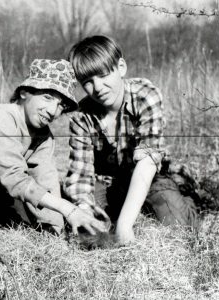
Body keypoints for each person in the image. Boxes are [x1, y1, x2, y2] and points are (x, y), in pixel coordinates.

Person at [0, 58, 107, 236]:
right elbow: (12, 175)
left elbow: (46, 180)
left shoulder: (44, 137)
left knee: (27, 216)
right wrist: (67, 209)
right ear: (24, 93)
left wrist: (58, 230)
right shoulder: (2, 116)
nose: (52, 111)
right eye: (47, 97)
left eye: (60, 106)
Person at [63, 35, 198, 245]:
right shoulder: (81, 116)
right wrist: (83, 211)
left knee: (179, 230)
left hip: (150, 178)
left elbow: (147, 162)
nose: (98, 87)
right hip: (107, 183)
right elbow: (80, 177)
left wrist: (124, 225)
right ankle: (125, 210)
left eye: (103, 75)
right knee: (88, 237)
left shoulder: (145, 95)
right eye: (88, 82)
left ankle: (185, 201)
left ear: (121, 67)